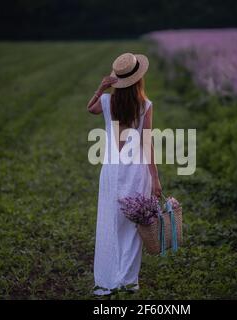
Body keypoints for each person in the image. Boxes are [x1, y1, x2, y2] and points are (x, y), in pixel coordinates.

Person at [86, 52, 162, 295]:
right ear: (138, 79)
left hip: (112, 170)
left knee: (111, 222)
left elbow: (90, 109)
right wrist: (156, 179)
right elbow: (147, 144)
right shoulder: (145, 105)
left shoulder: (108, 102)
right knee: (133, 225)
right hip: (137, 171)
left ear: (117, 79)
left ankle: (109, 277)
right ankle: (129, 279)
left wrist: (101, 87)